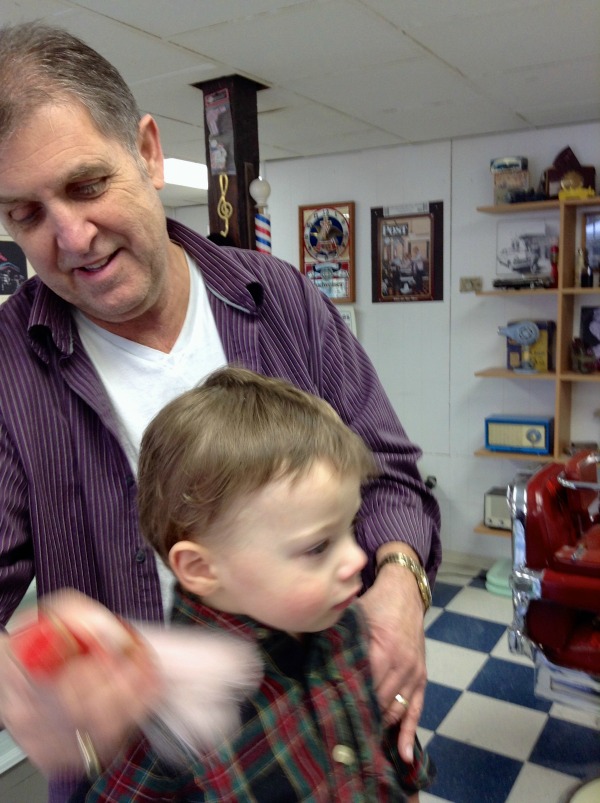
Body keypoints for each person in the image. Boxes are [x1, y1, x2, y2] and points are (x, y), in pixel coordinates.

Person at [0, 21, 441, 801]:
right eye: (25, 215)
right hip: (146, 767)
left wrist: (401, 582)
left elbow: (391, 476)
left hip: (333, 706)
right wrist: (19, 666)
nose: (70, 237)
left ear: (146, 150)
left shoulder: (280, 298)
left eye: (85, 184)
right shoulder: (8, 367)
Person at [64, 365, 434, 801]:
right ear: (201, 568)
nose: (357, 558)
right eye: (317, 548)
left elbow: (385, 753)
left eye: (351, 526)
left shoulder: (348, 629)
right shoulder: (171, 721)